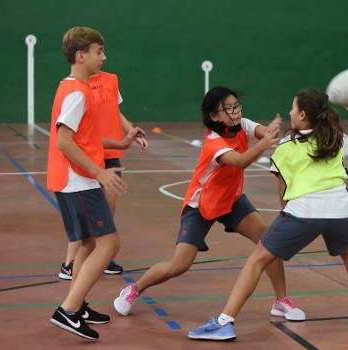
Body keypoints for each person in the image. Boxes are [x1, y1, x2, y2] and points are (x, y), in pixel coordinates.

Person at [188, 89, 348, 341]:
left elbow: (284, 190)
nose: (289, 112)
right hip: (340, 210)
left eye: (292, 108)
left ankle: (225, 322)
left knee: (258, 259)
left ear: (302, 115)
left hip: (303, 213)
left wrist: (285, 217)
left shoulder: (287, 145)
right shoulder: (336, 137)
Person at [113, 86, 306, 322]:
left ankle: (281, 301)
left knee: (269, 243)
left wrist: (273, 133)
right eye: (228, 109)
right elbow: (240, 161)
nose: (235, 112)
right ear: (214, 116)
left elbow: (262, 131)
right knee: (179, 264)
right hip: (202, 205)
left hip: (233, 201)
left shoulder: (241, 124)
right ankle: (134, 289)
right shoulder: (214, 143)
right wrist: (264, 144)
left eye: (237, 106)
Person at [47, 26, 145, 340]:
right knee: (109, 244)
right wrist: (100, 172)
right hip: (79, 181)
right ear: (81, 55)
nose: (103, 57)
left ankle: (78, 304)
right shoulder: (77, 91)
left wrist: (120, 143)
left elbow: (83, 136)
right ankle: (68, 310)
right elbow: (65, 141)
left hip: (75, 179)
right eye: (98, 52)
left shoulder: (74, 87)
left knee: (89, 244)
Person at [58, 71, 149, 280]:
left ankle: (103, 256)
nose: (102, 57)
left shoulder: (111, 79)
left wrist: (131, 132)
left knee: (107, 209)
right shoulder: (76, 85)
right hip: (89, 152)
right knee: (84, 215)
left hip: (110, 151)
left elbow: (116, 112)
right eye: (98, 52)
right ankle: (69, 263)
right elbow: (65, 136)